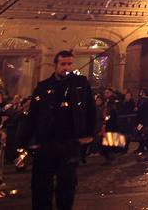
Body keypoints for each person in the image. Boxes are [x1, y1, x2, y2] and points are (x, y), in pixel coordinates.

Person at [27, 50, 97, 210]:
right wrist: (28, 140)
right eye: (63, 64)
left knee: (67, 184)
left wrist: (89, 134)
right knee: (41, 185)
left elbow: (90, 110)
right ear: (56, 65)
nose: (66, 67)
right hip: (47, 142)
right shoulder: (43, 86)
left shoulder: (80, 84)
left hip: (70, 142)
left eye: (69, 64)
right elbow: (33, 115)